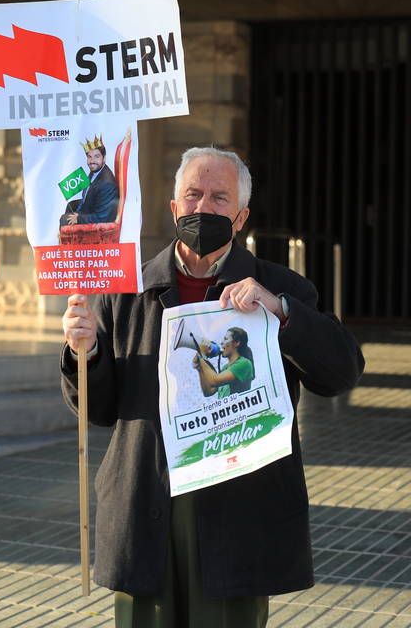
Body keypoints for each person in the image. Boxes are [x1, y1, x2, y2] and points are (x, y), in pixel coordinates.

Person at [60, 145, 364, 628]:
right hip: (147, 508)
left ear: (241, 216)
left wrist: (282, 312)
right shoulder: (126, 290)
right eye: (193, 194)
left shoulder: (282, 287)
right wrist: (85, 353)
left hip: (237, 518)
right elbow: (98, 409)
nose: (204, 208)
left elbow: (341, 372)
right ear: (173, 206)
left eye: (220, 198)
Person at [59, 134, 119, 226]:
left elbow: (102, 217)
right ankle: (67, 235)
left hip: (97, 219)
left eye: (97, 156)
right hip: (92, 206)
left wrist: (79, 218)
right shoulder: (95, 171)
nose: (92, 161)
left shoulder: (107, 184)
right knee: (71, 205)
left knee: (64, 219)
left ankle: (66, 237)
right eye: (89, 157)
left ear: (104, 158)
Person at [194, 326, 254, 398]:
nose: (221, 343)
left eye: (225, 339)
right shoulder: (225, 368)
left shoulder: (244, 363)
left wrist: (202, 355)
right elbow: (208, 391)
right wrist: (200, 368)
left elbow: (214, 380)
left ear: (236, 343)